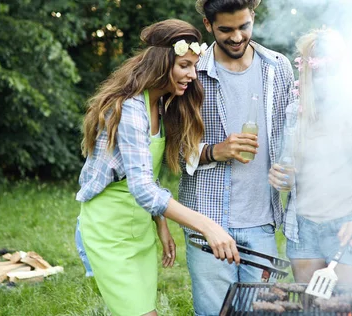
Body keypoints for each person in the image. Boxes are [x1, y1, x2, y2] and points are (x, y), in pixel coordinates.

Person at [75, 19, 240, 316]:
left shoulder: (161, 105)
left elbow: (144, 175)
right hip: (110, 231)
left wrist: (160, 224)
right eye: (185, 65)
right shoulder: (130, 110)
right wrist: (207, 225)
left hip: (138, 228)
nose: (192, 75)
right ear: (163, 64)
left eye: (194, 66)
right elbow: (142, 189)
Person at [178, 1, 295, 315]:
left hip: (262, 221)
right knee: (216, 312)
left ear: (253, 17)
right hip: (208, 220)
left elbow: (291, 135)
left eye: (244, 26)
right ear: (207, 24)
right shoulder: (192, 70)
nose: (236, 37)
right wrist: (217, 151)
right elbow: (173, 152)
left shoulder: (277, 66)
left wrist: (290, 169)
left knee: (263, 311)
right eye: (225, 29)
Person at [267, 29, 352, 284]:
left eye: (330, 69)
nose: (323, 78)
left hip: (350, 228)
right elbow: (288, 171)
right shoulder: (296, 111)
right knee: (310, 307)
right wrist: (282, 179)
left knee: (345, 307)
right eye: (317, 70)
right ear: (307, 70)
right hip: (303, 229)